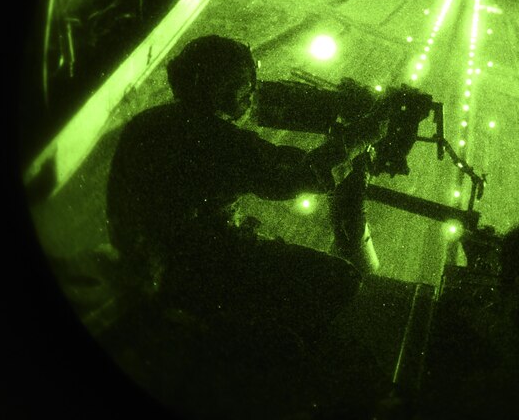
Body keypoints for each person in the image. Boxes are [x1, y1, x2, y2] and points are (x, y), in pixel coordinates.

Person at [105, 34, 388, 341]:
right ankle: (265, 350)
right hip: (194, 269)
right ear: (219, 88)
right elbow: (302, 174)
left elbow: (262, 148)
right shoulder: (216, 140)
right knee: (341, 277)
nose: (253, 91)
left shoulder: (156, 120)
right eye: (246, 83)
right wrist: (369, 132)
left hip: (151, 257)